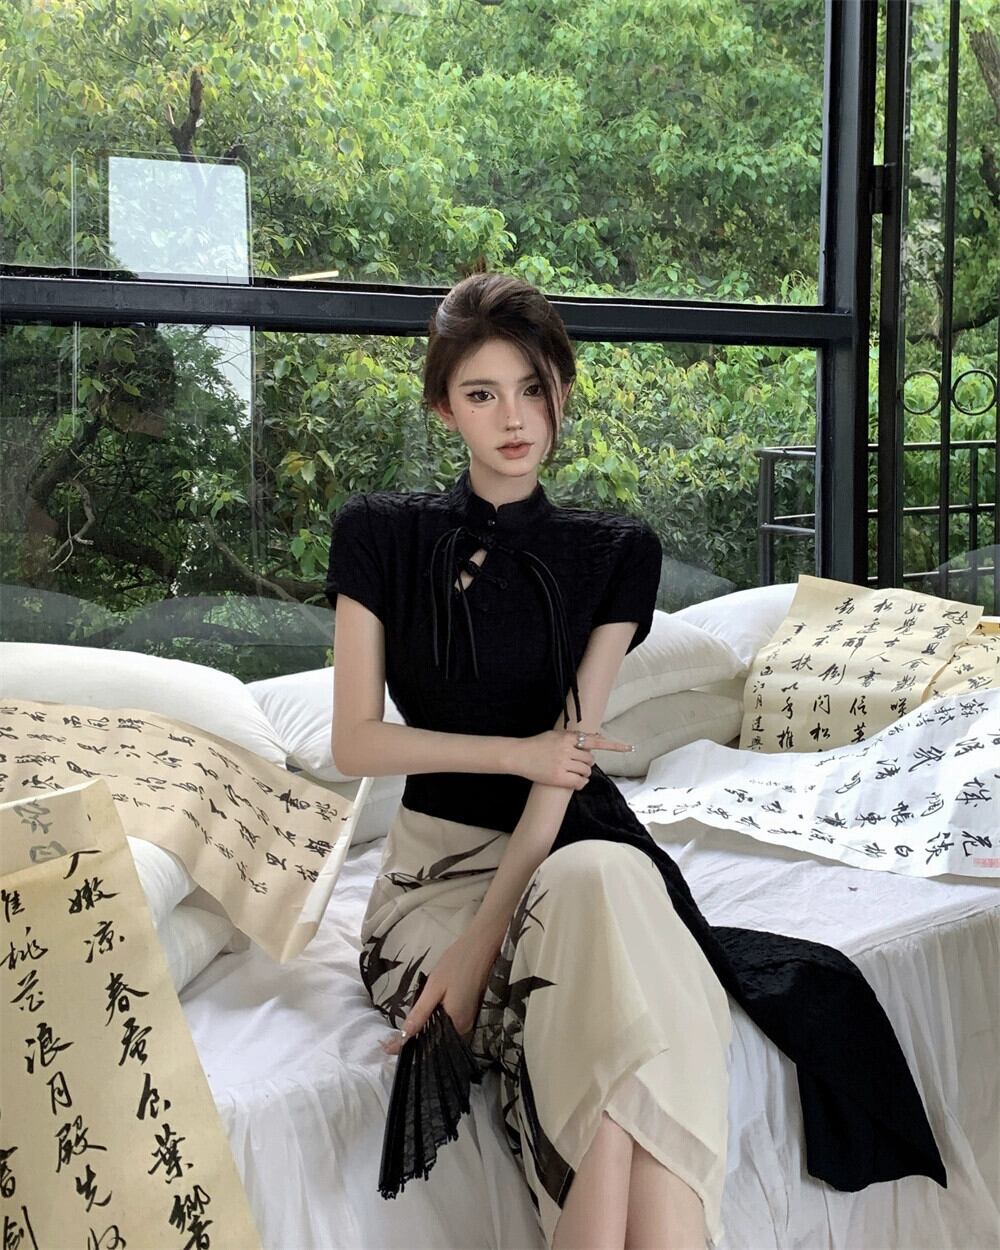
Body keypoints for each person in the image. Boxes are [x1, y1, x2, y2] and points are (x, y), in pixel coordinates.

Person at [325, 273, 944, 1250]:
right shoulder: (378, 535)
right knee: (635, 1032)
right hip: (430, 877)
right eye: (482, 393)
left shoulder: (613, 551)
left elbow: (566, 769)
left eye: (533, 388)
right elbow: (354, 740)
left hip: (563, 846)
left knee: (609, 877)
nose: (514, 418)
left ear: (561, 392)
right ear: (444, 407)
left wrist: (487, 937)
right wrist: (516, 753)